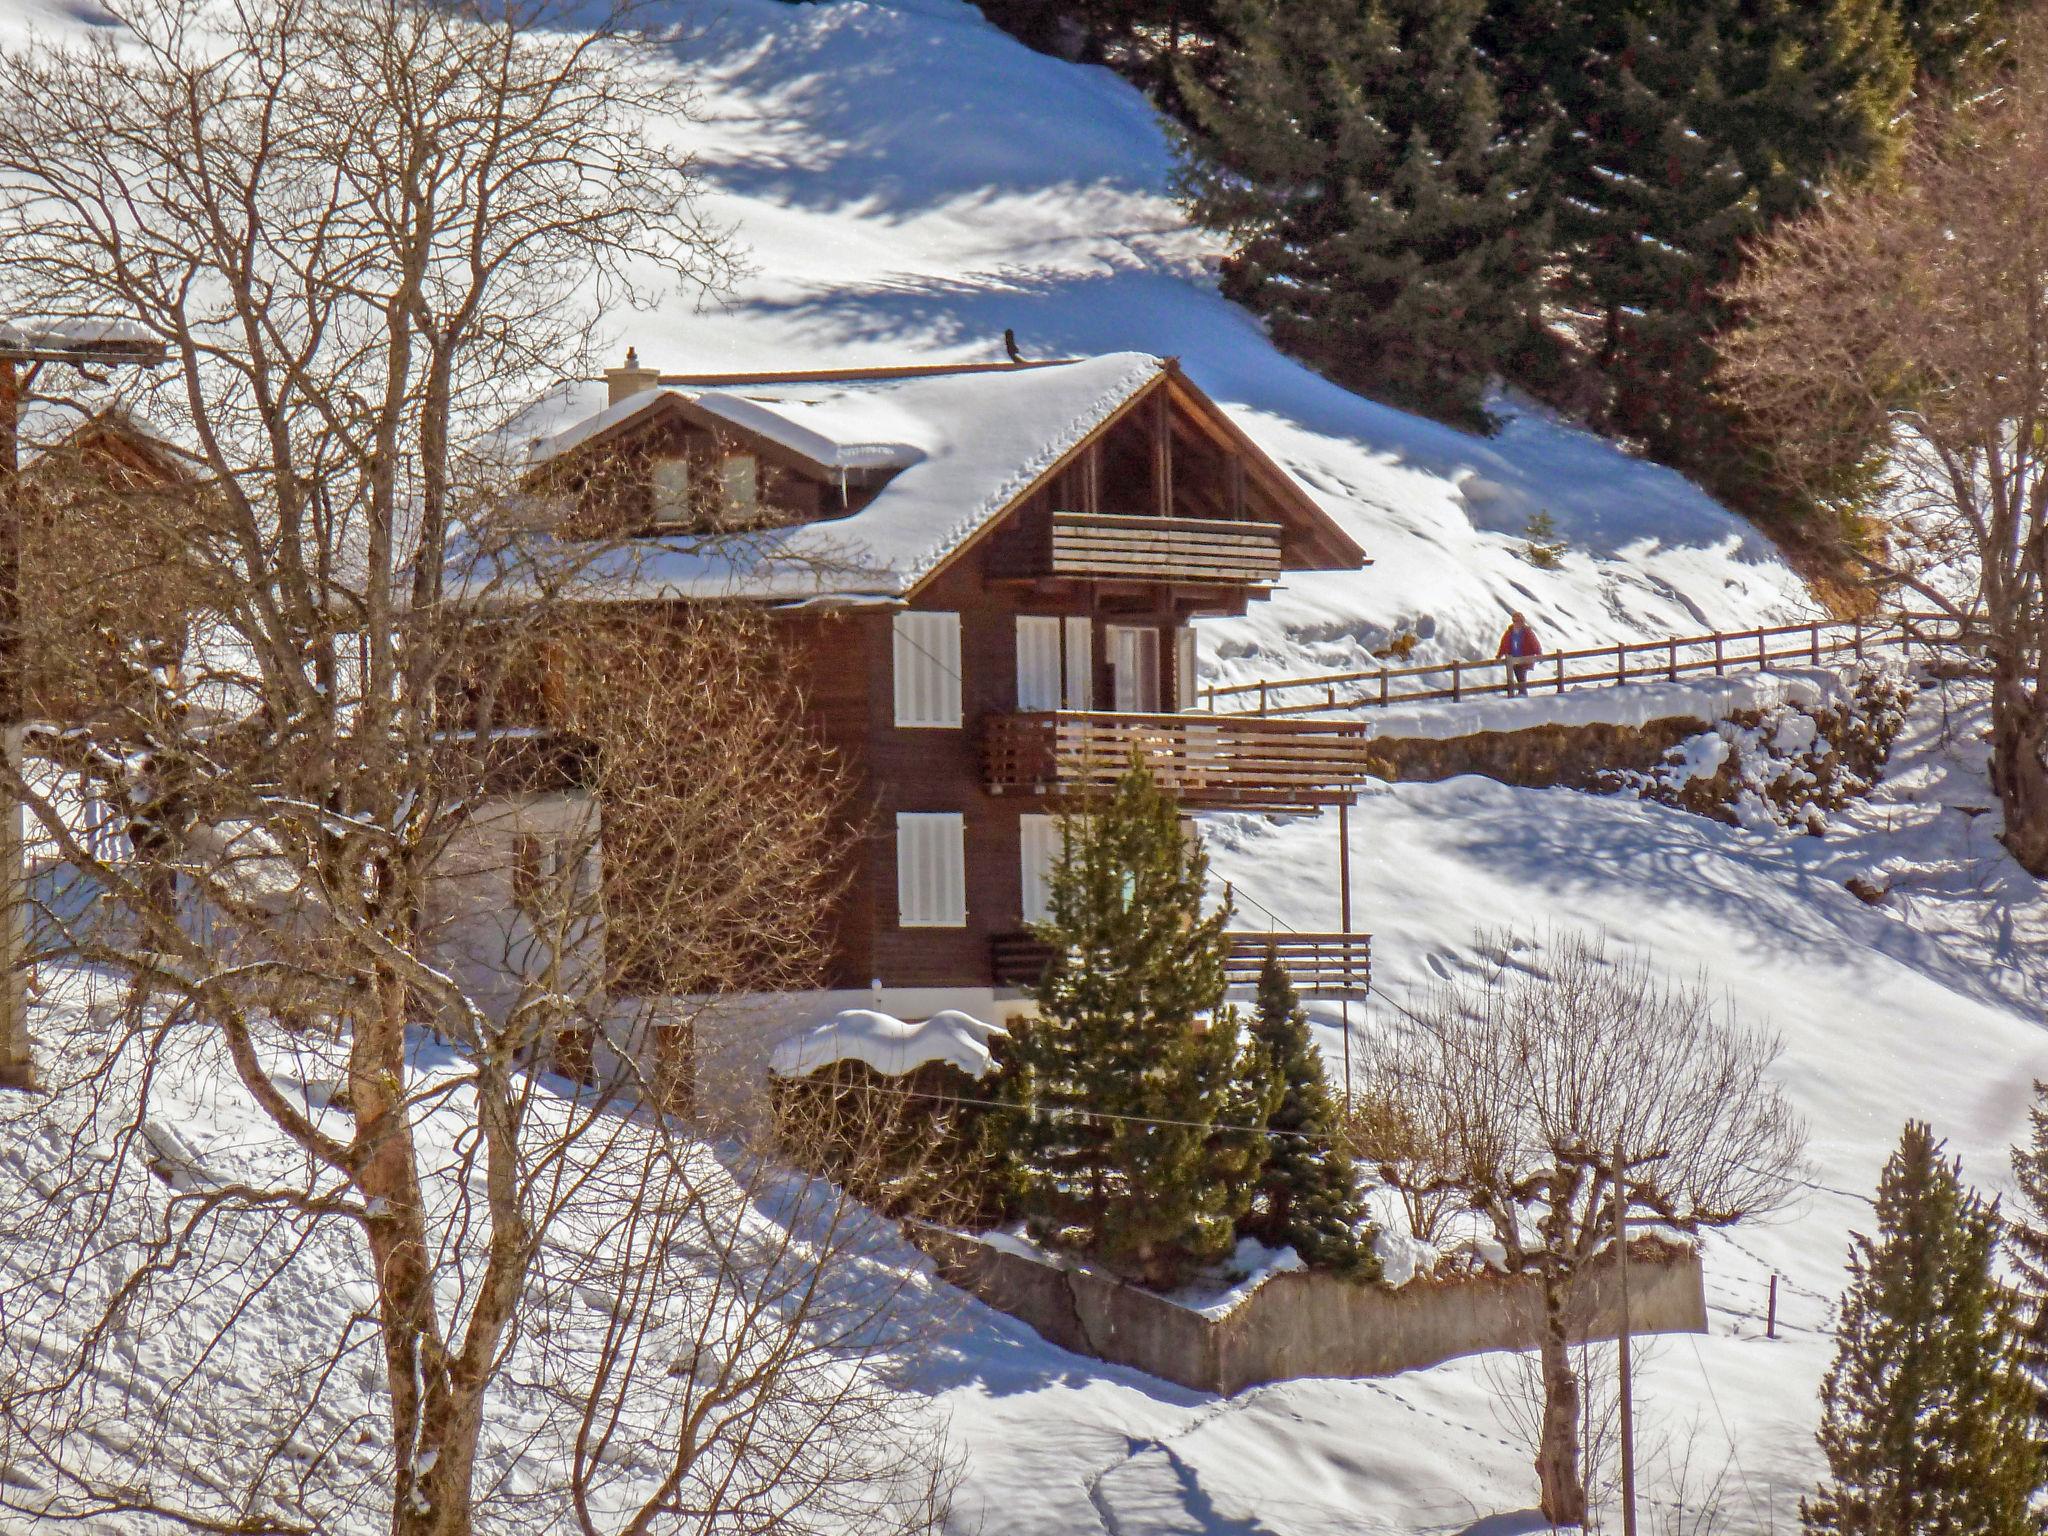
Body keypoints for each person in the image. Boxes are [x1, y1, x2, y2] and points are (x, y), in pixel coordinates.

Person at [1496, 612, 1541, 697]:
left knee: (1521, 673)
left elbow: (1535, 643)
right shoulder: (1510, 632)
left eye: (1518, 621)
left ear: (1522, 621)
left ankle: (1522, 692)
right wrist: (1499, 655)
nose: (1516, 623)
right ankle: (1521, 692)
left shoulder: (1527, 632)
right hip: (1513, 658)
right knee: (1517, 673)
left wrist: (1539, 654)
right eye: (1514, 621)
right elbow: (1504, 644)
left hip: (1525, 657)